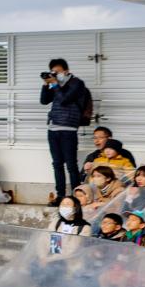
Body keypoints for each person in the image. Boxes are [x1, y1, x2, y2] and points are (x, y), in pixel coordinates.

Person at [40, 57, 91, 205]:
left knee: (71, 164)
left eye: (57, 71)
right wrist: (46, 85)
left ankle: (76, 196)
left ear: (66, 71)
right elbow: (44, 101)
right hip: (53, 128)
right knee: (57, 164)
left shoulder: (76, 83)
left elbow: (64, 99)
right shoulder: (55, 85)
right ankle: (60, 196)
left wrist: (55, 84)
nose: (55, 74)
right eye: (52, 72)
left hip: (68, 128)